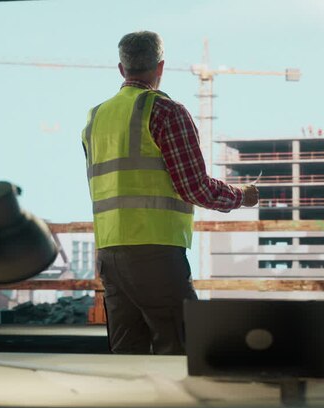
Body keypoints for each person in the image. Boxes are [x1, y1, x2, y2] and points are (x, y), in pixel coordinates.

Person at [81, 31, 258, 355]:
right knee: (183, 348)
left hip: (109, 253)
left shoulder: (95, 118)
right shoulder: (165, 111)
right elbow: (194, 187)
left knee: (127, 354)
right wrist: (240, 196)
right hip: (155, 252)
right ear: (160, 66)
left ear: (122, 69)